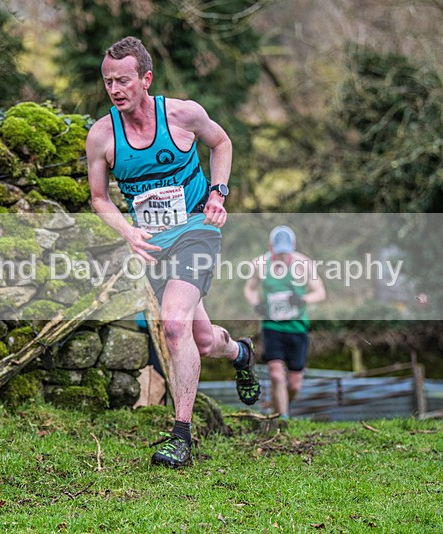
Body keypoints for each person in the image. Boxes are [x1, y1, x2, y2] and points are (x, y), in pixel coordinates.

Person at [85, 36, 260, 468]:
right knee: (201, 339)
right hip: (153, 246)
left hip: (197, 230)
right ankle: (240, 353)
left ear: (145, 78)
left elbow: (221, 143)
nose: (115, 89)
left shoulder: (182, 114)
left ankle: (181, 437)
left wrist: (218, 193)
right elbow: (100, 198)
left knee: (175, 326)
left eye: (123, 80)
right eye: (108, 82)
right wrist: (129, 232)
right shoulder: (102, 135)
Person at [244, 226, 327, 420]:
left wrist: (303, 300)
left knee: (295, 383)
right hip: (272, 326)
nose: (282, 256)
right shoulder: (260, 264)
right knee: (275, 374)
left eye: (285, 252)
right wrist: (256, 304)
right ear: (270, 247)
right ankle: (283, 420)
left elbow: (320, 292)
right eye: (278, 251)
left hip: (297, 327)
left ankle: (278, 407)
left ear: (293, 246)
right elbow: (250, 288)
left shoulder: (304, 264)